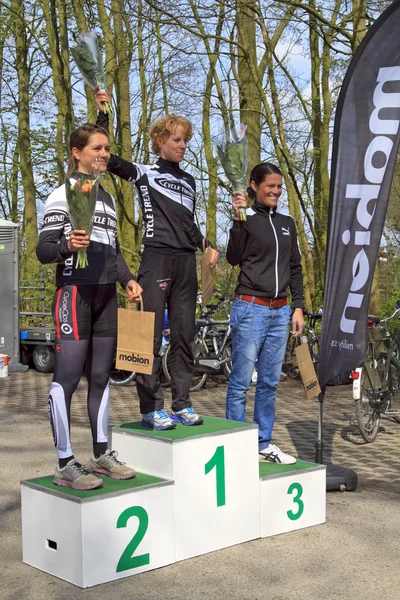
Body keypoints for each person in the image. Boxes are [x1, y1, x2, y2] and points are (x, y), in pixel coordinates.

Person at [95, 90, 219, 431]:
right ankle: (151, 407)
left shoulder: (190, 181)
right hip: (157, 259)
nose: (182, 145)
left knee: (183, 334)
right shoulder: (145, 172)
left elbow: (190, 225)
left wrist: (207, 245)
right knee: (147, 336)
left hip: (185, 263)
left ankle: (182, 403)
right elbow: (105, 158)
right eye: (177, 139)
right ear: (160, 140)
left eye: (186, 141)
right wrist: (102, 113)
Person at [36, 123, 142, 490]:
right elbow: (43, 251)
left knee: (100, 378)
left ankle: (101, 455)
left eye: (107, 149)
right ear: (77, 153)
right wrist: (67, 243)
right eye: (97, 148)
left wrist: (127, 278)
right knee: (65, 380)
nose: (103, 155)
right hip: (74, 295)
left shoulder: (108, 199)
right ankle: (65, 462)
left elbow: (112, 253)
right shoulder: (60, 195)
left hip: (106, 296)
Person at [225, 162, 305, 465]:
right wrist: (237, 219)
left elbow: (294, 267)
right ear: (254, 185)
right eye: (270, 186)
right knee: (242, 380)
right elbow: (233, 258)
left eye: (279, 187)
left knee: (270, 381)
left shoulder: (288, 222)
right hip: (250, 308)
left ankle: (263, 443)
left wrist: (298, 306)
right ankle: (235, 443)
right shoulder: (246, 218)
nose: (276, 191)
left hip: (281, 312)